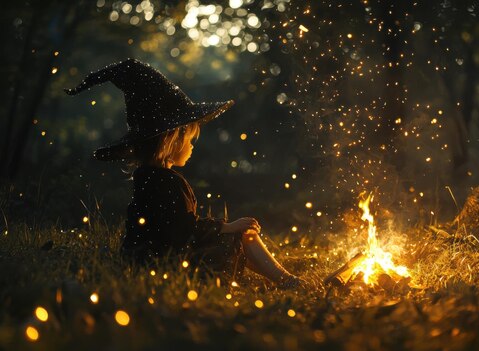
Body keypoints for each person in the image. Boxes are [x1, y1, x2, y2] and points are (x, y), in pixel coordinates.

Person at [65, 58, 303, 289]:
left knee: (238, 236)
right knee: (244, 234)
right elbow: (182, 229)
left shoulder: (149, 178)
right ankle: (286, 280)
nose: (192, 146)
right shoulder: (163, 182)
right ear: (172, 140)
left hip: (153, 260)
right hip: (172, 264)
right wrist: (228, 226)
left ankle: (283, 278)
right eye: (190, 140)